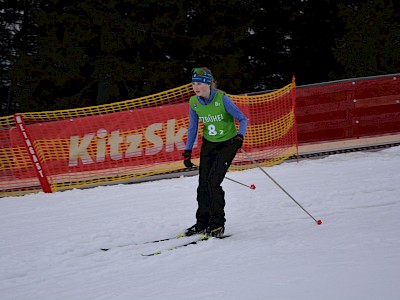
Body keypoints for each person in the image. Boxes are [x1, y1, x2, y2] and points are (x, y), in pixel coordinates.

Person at [182, 67, 248, 237]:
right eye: (194, 83)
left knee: (213, 182)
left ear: (208, 84)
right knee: (202, 185)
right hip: (209, 145)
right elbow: (192, 127)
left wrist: (239, 137)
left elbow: (242, 118)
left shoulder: (221, 98)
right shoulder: (194, 102)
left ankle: (218, 224)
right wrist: (188, 150)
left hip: (227, 145)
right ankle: (202, 223)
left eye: (199, 83)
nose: (196, 87)